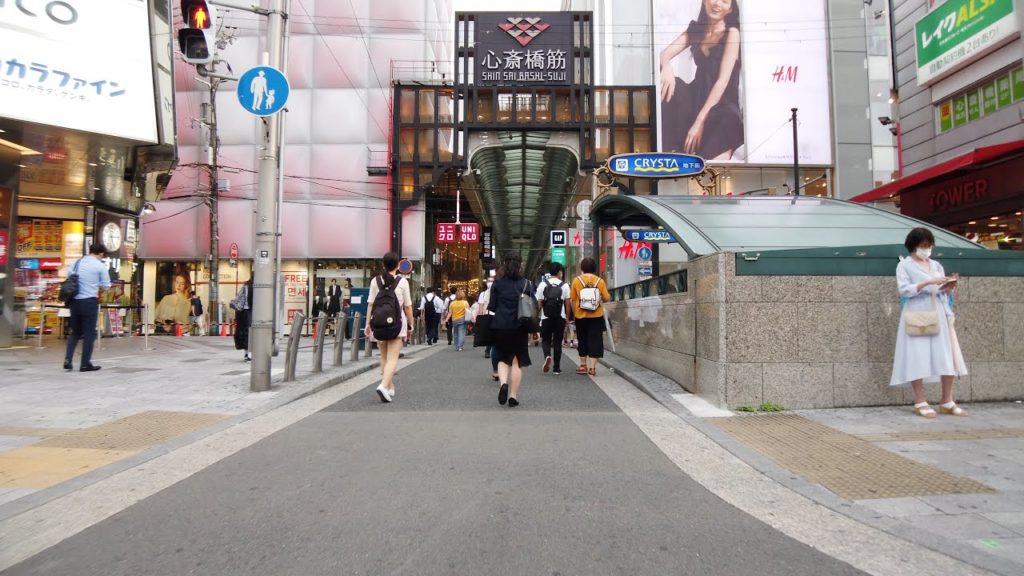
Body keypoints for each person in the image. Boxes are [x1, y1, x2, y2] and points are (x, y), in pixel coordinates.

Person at [890, 227, 969, 418]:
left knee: (946, 354)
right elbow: (904, 290)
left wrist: (947, 286)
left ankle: (947, 399)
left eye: (929, 245)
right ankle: (920, 400)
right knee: (917, 355)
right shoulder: (905, 265)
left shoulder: (936, 264)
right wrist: (927, 282)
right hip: (917, 313)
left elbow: (940, 289)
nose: (926, 249)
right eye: (923, 245)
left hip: (939, 311)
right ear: (914, 246)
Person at [659, 0, 743, 160]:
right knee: (673, 88)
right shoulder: (697, 29)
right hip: (696, 96)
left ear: (730, 9)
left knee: (727, 118)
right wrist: (667, 67)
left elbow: (722, 81)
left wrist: (699, 122)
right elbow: (664, 55)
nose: (717, 4)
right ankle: (671, 151)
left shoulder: (732, 33)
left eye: (725, 1)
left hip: (721, 103)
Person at [365, 252, 414, 403]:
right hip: (397, 324)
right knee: (393, 358)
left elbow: (371, 304)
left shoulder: (375, 281)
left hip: (378, 323)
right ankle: (383, 386)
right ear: (398, 265)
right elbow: (407, 306)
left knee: (384, 357)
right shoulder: (402, 282)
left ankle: (389, 387)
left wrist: (368, 324)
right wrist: (411, 324)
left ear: (383, 264)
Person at [487, 252, 535, 408]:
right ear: (520, 265)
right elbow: (533, 307)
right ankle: (513, 396)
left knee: (502, 359)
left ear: (505, 265)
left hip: (500, 325)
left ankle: (503, 384)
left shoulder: (498, 284)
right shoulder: (526, 284)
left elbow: (492, 307)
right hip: (519, 327)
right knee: (516, 362)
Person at [64, 243, 111, 372]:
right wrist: (96, 284)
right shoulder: (100, 266)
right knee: (89, 333)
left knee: (75, 332)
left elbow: (69, 277)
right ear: (101, 253)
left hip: (74, 301)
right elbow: (107, 285)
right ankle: (85, 363)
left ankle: (68, 359)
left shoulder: (76, 262)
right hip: (89, 302)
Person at [570, 257, 611, 376]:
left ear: (582, 268)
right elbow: (607, 298)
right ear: (594, 268)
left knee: (582, 339)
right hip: (596, 316)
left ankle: (583, 365)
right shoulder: (600, 281)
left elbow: (573, 299)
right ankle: (592, 368)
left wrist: (574, 314)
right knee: (595, 340)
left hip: (580, 316)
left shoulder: (576, 281)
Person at [536, 261, 572, 375]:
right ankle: (557, 368)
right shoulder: (564, 285)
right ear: (560, 272)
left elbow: (539, 302)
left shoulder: (543, 284)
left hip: (546, 317)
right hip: (559, 318)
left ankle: (547, 356)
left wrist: (538, 314)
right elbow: (567, 304)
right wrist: (567, 317)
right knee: (557, 342)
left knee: (545, 340)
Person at [234, 278, 253, 361]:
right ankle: (249, 354)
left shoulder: (246, 286)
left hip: (244, 312)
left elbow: (238, 298)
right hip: (252, 312)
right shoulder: (259, 287)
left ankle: (247, 353)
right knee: (251, 333)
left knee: (246, 333)